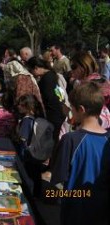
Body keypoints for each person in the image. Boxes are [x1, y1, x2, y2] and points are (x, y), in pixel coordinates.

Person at [50, 82, 110, 225]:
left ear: (81, 109)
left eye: (72, 108)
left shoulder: (70, 140)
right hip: (103, 212)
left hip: (75, 212)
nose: (71, 111)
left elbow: (57, 179)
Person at [27, 56, 66, 145]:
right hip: (59, 113)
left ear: (36, 68)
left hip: (52, 115)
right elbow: (60, 94)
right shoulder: (52, 74)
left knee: (51, 143)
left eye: (31, 71)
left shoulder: (46, 79)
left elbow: (47, 98)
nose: (31, 74)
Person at [16, 94, 45, 196]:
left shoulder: (26, 121)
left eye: (21, 105)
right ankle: (37, 194)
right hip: (36, 153)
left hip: (27, 155)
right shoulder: (36, 119)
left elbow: (22, 138)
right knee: (36, 175)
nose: (18, 106)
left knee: (27, 176)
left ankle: (30, 194)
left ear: (28, 107)